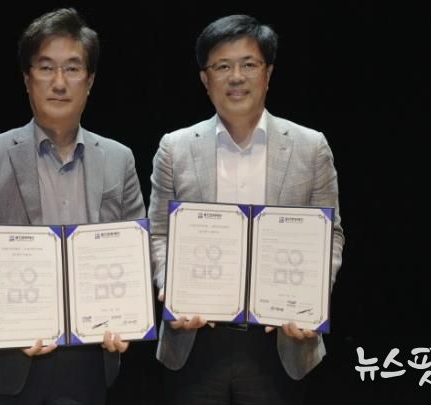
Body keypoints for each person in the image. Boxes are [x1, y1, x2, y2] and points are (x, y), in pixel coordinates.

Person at [0, 8, 145, 405]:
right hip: (9, 362)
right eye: (46, 68)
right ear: (27, 80)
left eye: (72, 69)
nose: (59, 82)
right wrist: (3, 317)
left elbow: (135, 249)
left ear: (89, 81)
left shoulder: (119, 159)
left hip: (90, 361)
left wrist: (129, 316)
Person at [148, 14, 345, 404]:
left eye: (248, 65)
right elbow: (159, 234)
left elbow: (331, 235)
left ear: (268, 74)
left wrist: (311, 299)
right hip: (195, 340)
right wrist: (170, 287)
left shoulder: (311, 147)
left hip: (281, 341)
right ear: (205, 79)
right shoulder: (174, 148)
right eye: (222, 66)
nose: (236, 77)